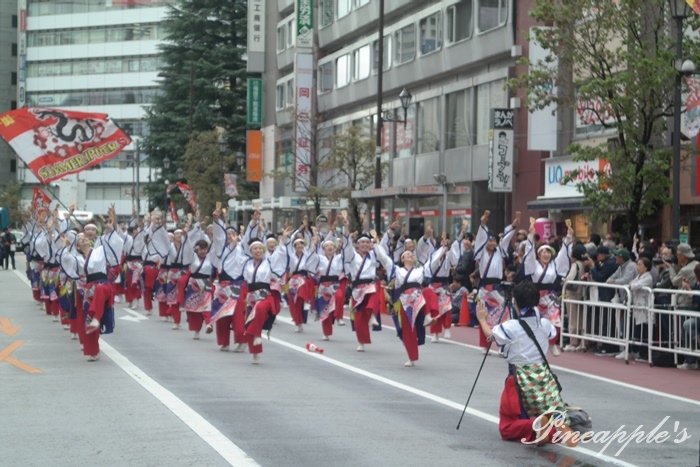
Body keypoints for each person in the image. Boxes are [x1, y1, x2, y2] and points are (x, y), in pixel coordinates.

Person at [475, 280, 575, 445]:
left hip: (519, 378)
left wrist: (482, 319)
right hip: (543, 375)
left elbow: (491, 337)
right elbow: (552, 336)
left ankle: (536, 427)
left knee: (507, 426)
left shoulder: (511, 326)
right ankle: (555, 426)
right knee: (546, 406)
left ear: (515, 301)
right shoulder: (544, 324)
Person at [472, 209, 520, 352]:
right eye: (490, 240)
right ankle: (484, 344)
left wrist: (513, 226)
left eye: (494, 240)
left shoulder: (500, 251)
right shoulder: (480, 252)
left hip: (497, 288)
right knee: (483, 316)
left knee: (503, 315)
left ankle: (502, 345)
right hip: (484, 288)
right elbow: (481, 238)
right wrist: (483, 222)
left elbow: (505, 240)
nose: (492, 243)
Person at [626, 257, 653, 361]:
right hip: (637, 306)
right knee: (636, 329)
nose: (638, 266)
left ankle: (644, 354)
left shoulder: (648, 277)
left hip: (644, 307)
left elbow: (635, 286)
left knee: (644, 330)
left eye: (640, 264)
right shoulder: (638, 276)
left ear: (646, 267)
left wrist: (632, 285)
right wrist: (631, 285)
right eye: (637, 264)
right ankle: (635, 351)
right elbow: (631, 284)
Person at [562, 244, 588, 352]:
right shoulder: (584, 264)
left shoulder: (575, 265)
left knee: (573, 318)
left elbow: (570, 278)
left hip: (572, 294)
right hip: (582, 294)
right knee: (581, 318)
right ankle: (583, 342)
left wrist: (563, 280)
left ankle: (573, 342)